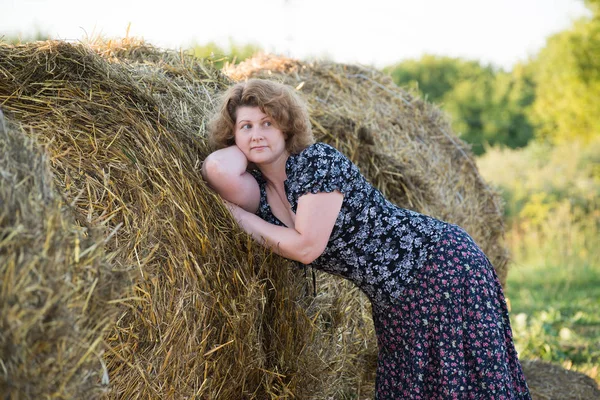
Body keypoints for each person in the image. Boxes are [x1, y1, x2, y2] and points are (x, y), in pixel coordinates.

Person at [202, 78, 531, 399]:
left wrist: (239, 217)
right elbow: (216, 168)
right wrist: (242, 143)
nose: (257, 134)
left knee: (465, 383)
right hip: (394, 298)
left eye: (267, 123)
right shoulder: (259, 190)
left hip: (439, 265)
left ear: (286, 127)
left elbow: (305, 247)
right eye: (246, 126)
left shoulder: (317, 162)